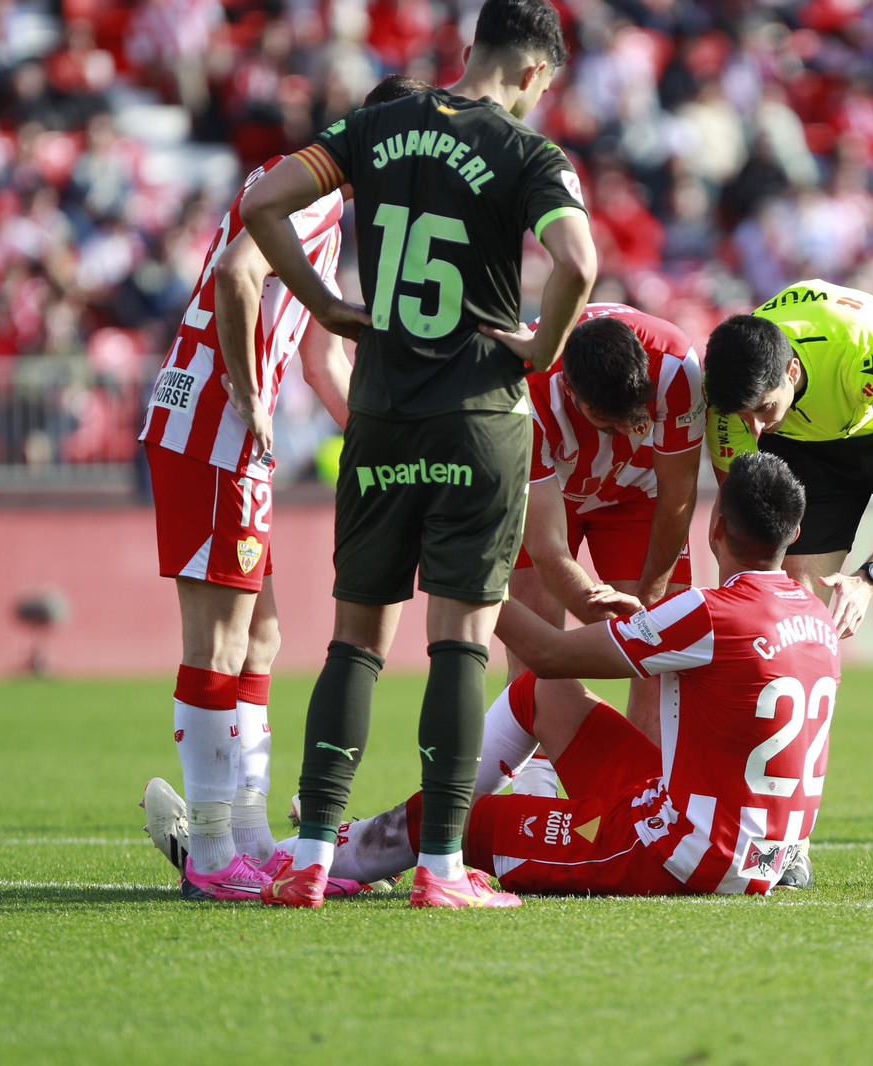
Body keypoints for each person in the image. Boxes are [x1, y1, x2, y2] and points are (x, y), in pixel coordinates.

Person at [239, 0, 598, 910]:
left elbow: (263, 202)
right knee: (460, 647)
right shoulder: (529, 155)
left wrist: (324, 305)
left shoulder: (374, 125)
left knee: (354, 644)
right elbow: (580, 263)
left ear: (471, 49)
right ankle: (440, 869)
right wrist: (544, 347)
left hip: (381, 418)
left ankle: (311, 855)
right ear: (531, 73)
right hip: (479, 419)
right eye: (543, 88)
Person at [278, 452, 837, 898]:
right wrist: (648, 624)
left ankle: (334, 849)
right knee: (546, 693)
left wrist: (462, 571)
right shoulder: (815, 617)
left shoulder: (710, 612)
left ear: (714, 524)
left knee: (450, 824)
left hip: (677, 854)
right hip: (754, 849)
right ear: (796, 531)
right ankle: (382, 835)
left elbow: (547, 650)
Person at [137, 74, 432, 901]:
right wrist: (246, 394)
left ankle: (252, 837)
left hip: (231, 436)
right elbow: (237, 273)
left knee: (259, 638)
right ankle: (210, 855)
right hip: (215, 432)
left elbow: (318, 356)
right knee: (220, 642)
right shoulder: (316, 195)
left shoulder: (323, 200)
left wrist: (381, 433)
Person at [702, 280, 873, 888]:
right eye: (740, 417)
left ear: (793, 370)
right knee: (787, 627)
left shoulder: (864, 352)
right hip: (811, 449)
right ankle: (786, 836)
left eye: (761, 410)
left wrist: (869, 575)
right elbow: (737, 539)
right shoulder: (731, 397)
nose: (750, 427)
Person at [511, 303, 703, 759]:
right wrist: (613, 623)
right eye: (607, 420)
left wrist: (648, 609)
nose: (623, 429)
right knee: (536, 651)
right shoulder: (523, 387)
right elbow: (546, 546)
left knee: (662, 651)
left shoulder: (677, 365)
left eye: (633, 418)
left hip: (638, 495)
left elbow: (678, 495)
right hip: (552, 494)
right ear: (570, 389)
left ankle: (649, 798)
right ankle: (536, 788)